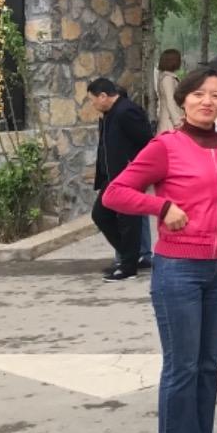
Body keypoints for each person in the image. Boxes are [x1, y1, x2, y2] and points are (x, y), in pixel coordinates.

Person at [100, 68, 217, 433]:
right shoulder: (165, 146)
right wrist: (162, 207)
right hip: (179, 270)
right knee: (183, 366)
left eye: (216, 95)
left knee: (208, 366)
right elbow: (115, 193)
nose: (207, 101)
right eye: (199, 94)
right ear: (183, 99)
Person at [87, 77, 153, 281]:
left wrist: (135, 167)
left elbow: (147, 141)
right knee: (101, 215)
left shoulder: (126, 111)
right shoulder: (110, 114)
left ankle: (128, 267)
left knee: (128, 221)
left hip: (128, 176)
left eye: (92, 99)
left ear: (103, 96)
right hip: (113, 177)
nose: (92, 104)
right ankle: (129, 256)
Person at [156, 49, 184, 133]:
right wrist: (177, 122)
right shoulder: (168, 78)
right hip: (169, 122)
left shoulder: (167, 77)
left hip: (169, 120)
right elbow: (170, 100)